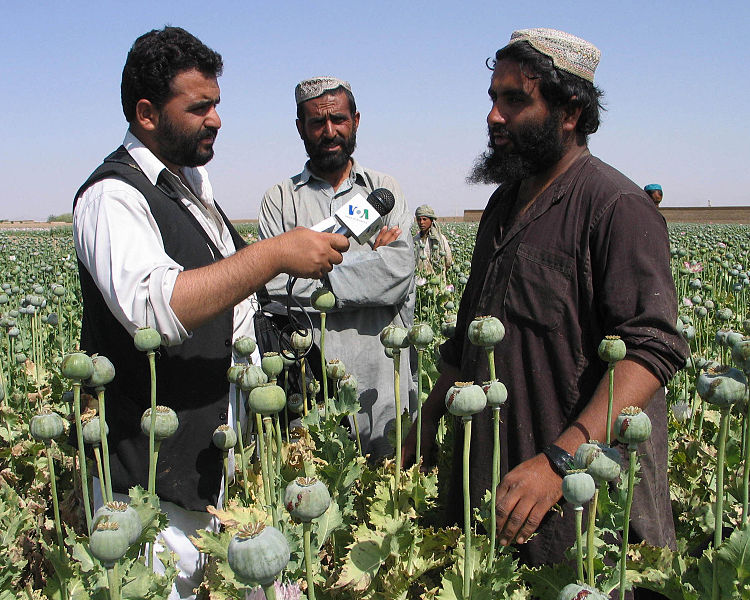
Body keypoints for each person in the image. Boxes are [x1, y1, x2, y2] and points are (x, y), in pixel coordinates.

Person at [73, 27, 348, 599]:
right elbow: (158, 308)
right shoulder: (111, 198)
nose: (216, 119)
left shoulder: (192, 183)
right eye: (199, 107)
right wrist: (273, 253)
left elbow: (231, 300)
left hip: (216, 469)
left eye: (217, 104)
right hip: (149, 495)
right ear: (147, 113)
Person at [403, 28, 688, 576]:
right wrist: (427, 420)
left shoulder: (616, 206)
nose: (493, 115)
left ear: (570, 112)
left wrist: (561, 460)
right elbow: (468, 333)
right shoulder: (502, 203)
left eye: (515, 99)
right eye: (492, 97)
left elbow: (652, 350)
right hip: (496, 482)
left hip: (581, 502)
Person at [258, 76, 416, 458]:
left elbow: (396, 275)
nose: (330, 132)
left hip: (385, 392)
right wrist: (368, 263)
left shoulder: (383, 188)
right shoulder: (280, 200)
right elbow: (277, 289)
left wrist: (307, 265)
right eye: (317, 123)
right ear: (301, 128)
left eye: (339, 120)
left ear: (356, 121)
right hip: (312, 397)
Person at [413, 204, 453, 279]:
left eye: (424, 219)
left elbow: (448, 261)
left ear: (431, 220)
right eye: (419, 219)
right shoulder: (414, 240)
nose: (421, 222)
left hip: (437, 280)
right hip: (420, 280)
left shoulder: (440, 239)